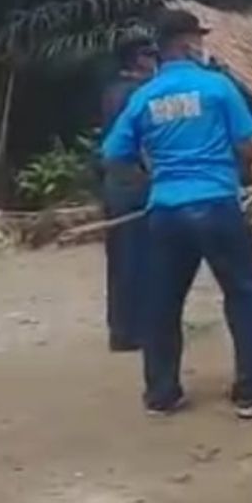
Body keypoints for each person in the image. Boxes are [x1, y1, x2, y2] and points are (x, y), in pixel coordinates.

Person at [101, 8, 252, 419]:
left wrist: (154, 178)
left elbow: (114, 154)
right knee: (246, 294)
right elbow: (245, 144)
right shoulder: (216, 87)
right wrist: (245, 172)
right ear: (187, 44)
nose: (204, 46)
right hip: (217, 203)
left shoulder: (144, 97)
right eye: (199, 39)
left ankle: (162, 394)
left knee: (163, 303)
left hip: (166, 211)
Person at [100, 36, 159, 352]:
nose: (154, 60)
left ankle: (125, 328)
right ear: (136, 59)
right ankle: (131, 330)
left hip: (118, 183)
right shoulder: (136, 94)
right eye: (149, 54)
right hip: (133, 183)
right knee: (136, 258)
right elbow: (142, 144)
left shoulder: (114, 91)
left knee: (123, 259)